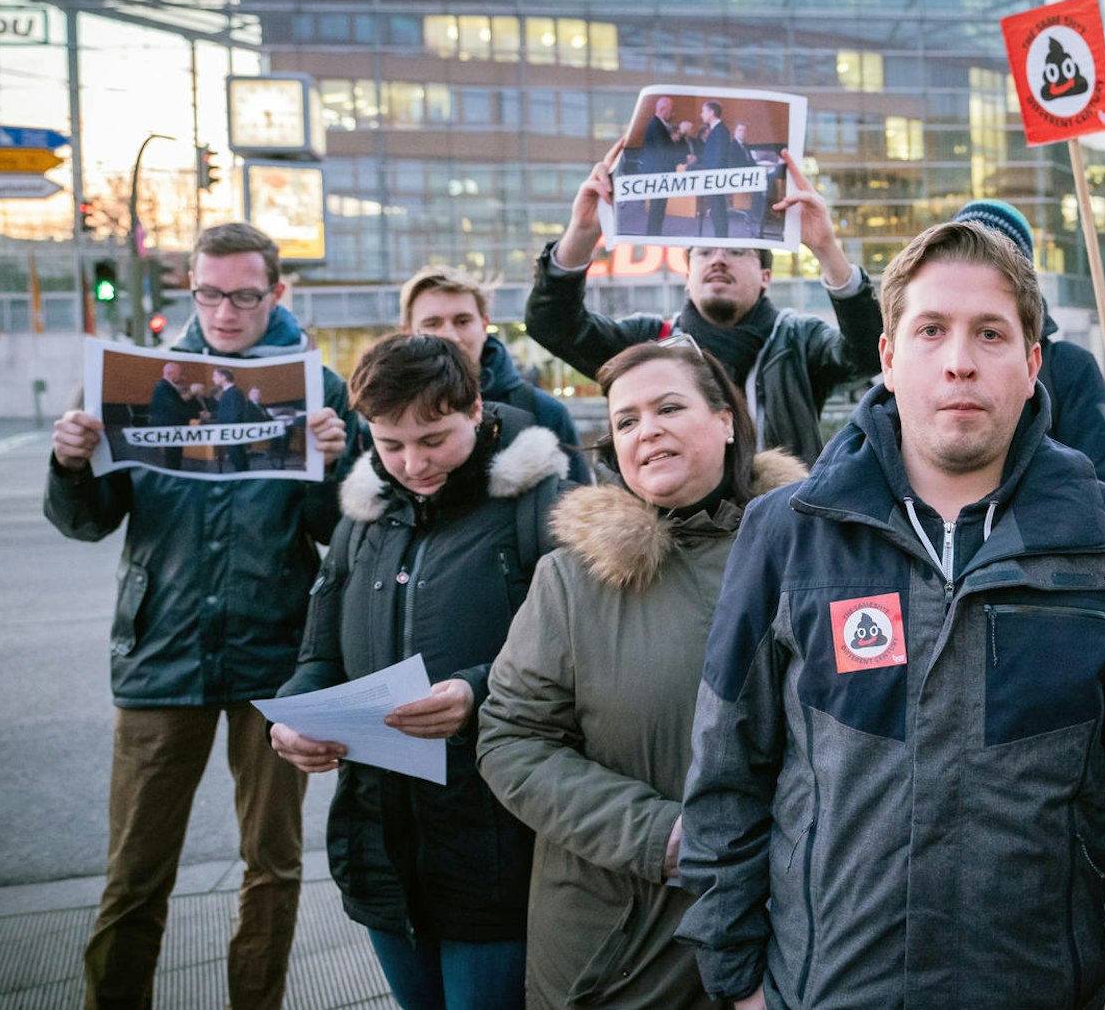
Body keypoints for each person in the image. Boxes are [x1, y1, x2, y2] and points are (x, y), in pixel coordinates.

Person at [677, 220, 1105, 1010]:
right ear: (889, 358)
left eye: (990, 333)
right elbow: (726, 777)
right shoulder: (788, 533)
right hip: (828, 990)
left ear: (1032, 366)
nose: (960, 359)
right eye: (932, 330)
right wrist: (739, 982)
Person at [45, 222, 351, 1010]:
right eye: (209, 292)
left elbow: (338, 531)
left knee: (274, 864)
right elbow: (87, 521)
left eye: (244, 294)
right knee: (135, 872)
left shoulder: (318, 383)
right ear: (191, 287)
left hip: (277, 651)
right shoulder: (138, 378)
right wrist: (70, 463)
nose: (224, 310)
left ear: (276, 292)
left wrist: (335, 460)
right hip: (162, 651)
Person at [479, 341, 808, 1009]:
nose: (645, 428)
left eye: (668, 406)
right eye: (626, 420)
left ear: (726, 420)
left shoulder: (814, 549)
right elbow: (510, 740)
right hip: (624, 953)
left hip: (797, 937)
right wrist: (663, 836)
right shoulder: (572, 580)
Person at [271, 334, 568, 1009]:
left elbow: (576, 655)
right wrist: (292, 717)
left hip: (495, 840)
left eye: (433, 439)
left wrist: (477, 688)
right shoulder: (362, 516)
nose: (411, 463)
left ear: (474, 407)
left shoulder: (538, 504)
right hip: (379, 840)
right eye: (390, 443)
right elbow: (319, 656)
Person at [528, 149, 882, 465]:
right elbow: (554, 326)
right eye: (704, 252)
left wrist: (825, 248)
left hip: (783, 524)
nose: (719, 260)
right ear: (687, 276)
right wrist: (583, 233)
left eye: (736, 250)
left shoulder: (798, 340)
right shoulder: (650, 344)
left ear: (766, 277)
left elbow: (867, 354)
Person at [952, 199, 1105, 485]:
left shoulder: (1071, 368)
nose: (960, 366)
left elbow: (1098, 487)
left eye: (991, 335)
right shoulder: (931, 365)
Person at [401, 264, 590, 482]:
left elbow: (581, 508)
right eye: (432, 323)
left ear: (484, 326)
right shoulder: (388, 420)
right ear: (407, 333)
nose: (450, 335)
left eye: (462, 321)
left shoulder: (545, 412)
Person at [694, 100, 751, 238]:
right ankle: (719, 236)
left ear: (712, 113)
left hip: (715, 178)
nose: (701, 115)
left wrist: (712, 177)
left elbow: (719, 157)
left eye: (704, 111)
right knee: (716, 210)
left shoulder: (720, 130)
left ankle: (721, 237)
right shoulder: (717, 130)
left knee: (718, 210)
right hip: (713, 176)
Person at [634, 94, 682, 237]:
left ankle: (655, 234)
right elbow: (664, 151)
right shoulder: (656, 125)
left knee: (659, 208)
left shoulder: (657, 124)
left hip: (658, 172)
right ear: (663, 109)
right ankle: (653, 235)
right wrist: (677, 141)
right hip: (658, 173)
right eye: (670, 109)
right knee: (657, 208)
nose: (672, 113)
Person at [148, 361, 194, 471]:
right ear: (170, 373)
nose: (182, 376)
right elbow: (176, 407)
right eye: (179, 373)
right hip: (169, 426)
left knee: (174, 456)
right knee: (172, 457)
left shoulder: (166, 386)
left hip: (172, 426)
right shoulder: (163, 387)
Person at [211, 368, 252, 473]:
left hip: (232, 430)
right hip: (230, 429)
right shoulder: (229, 392)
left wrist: (228, 429)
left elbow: (234, 413)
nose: (213, 379)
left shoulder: (234, 392)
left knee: (237, 454)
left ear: (223, 378)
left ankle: (243, 476)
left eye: (215, 376)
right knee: (235, 454)